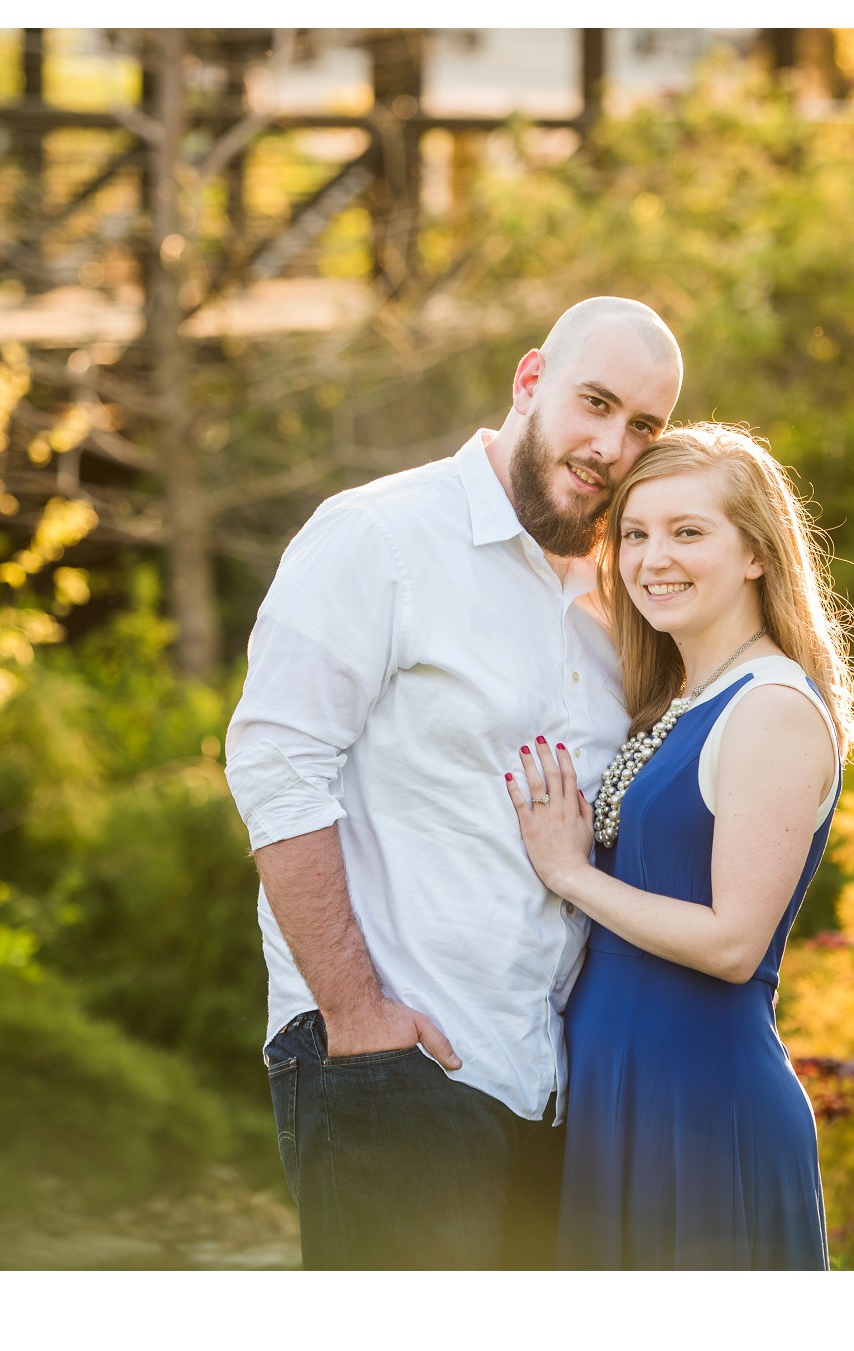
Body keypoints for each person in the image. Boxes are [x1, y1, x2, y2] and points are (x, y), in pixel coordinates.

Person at [224, 297, 684, 1269]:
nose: (610, 444)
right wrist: (356, 1015)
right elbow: (275, 764)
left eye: (643, 425)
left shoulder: (619, 603)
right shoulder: (378, 536)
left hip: (544, 1087)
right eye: (593, 403)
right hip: (395, 1065)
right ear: (529, 382)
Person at [504, 422, 854, 1269]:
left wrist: (568, 872)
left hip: (701, 1108)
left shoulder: (771, 706)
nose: (651, 558)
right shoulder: (681, 697)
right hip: (619, 1098)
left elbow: (734, 943)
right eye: (634, 533)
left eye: (688, 531)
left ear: (757, 554)